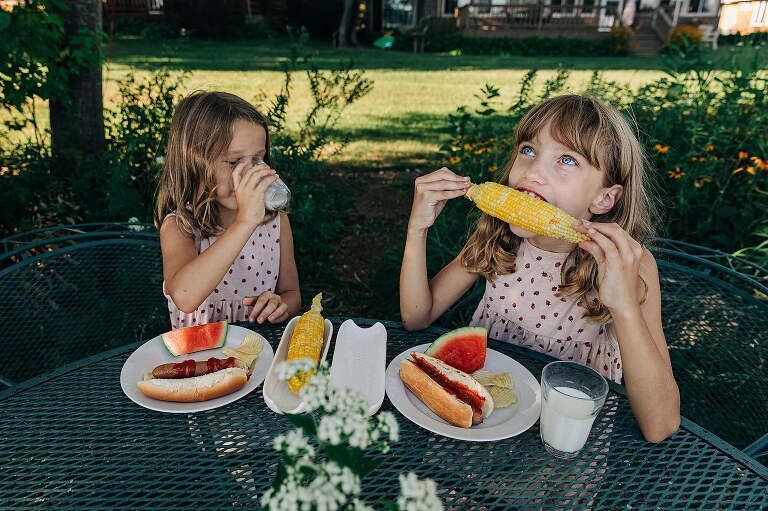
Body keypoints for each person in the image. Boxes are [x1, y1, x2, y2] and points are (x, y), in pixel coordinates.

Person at [400, 94, 680, 443]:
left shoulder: (630, 269)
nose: (532, 172)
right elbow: (416, 317)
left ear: (604, 198)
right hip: (483, 422)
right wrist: (417, 229)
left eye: (566, 159)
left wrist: (622, 304)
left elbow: (661, 425)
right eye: (529, 150)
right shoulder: (497, 237)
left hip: (557, 452)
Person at [155, 91, 302, 329]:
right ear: (193, 162)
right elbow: (185, 296)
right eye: (234, 162)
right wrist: (244, 222)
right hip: (202, 359)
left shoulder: (275, 221)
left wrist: (280, 304)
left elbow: (292, 294)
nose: (249, 172)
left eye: (258, 159)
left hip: (260, 351)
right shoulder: (180, 227)